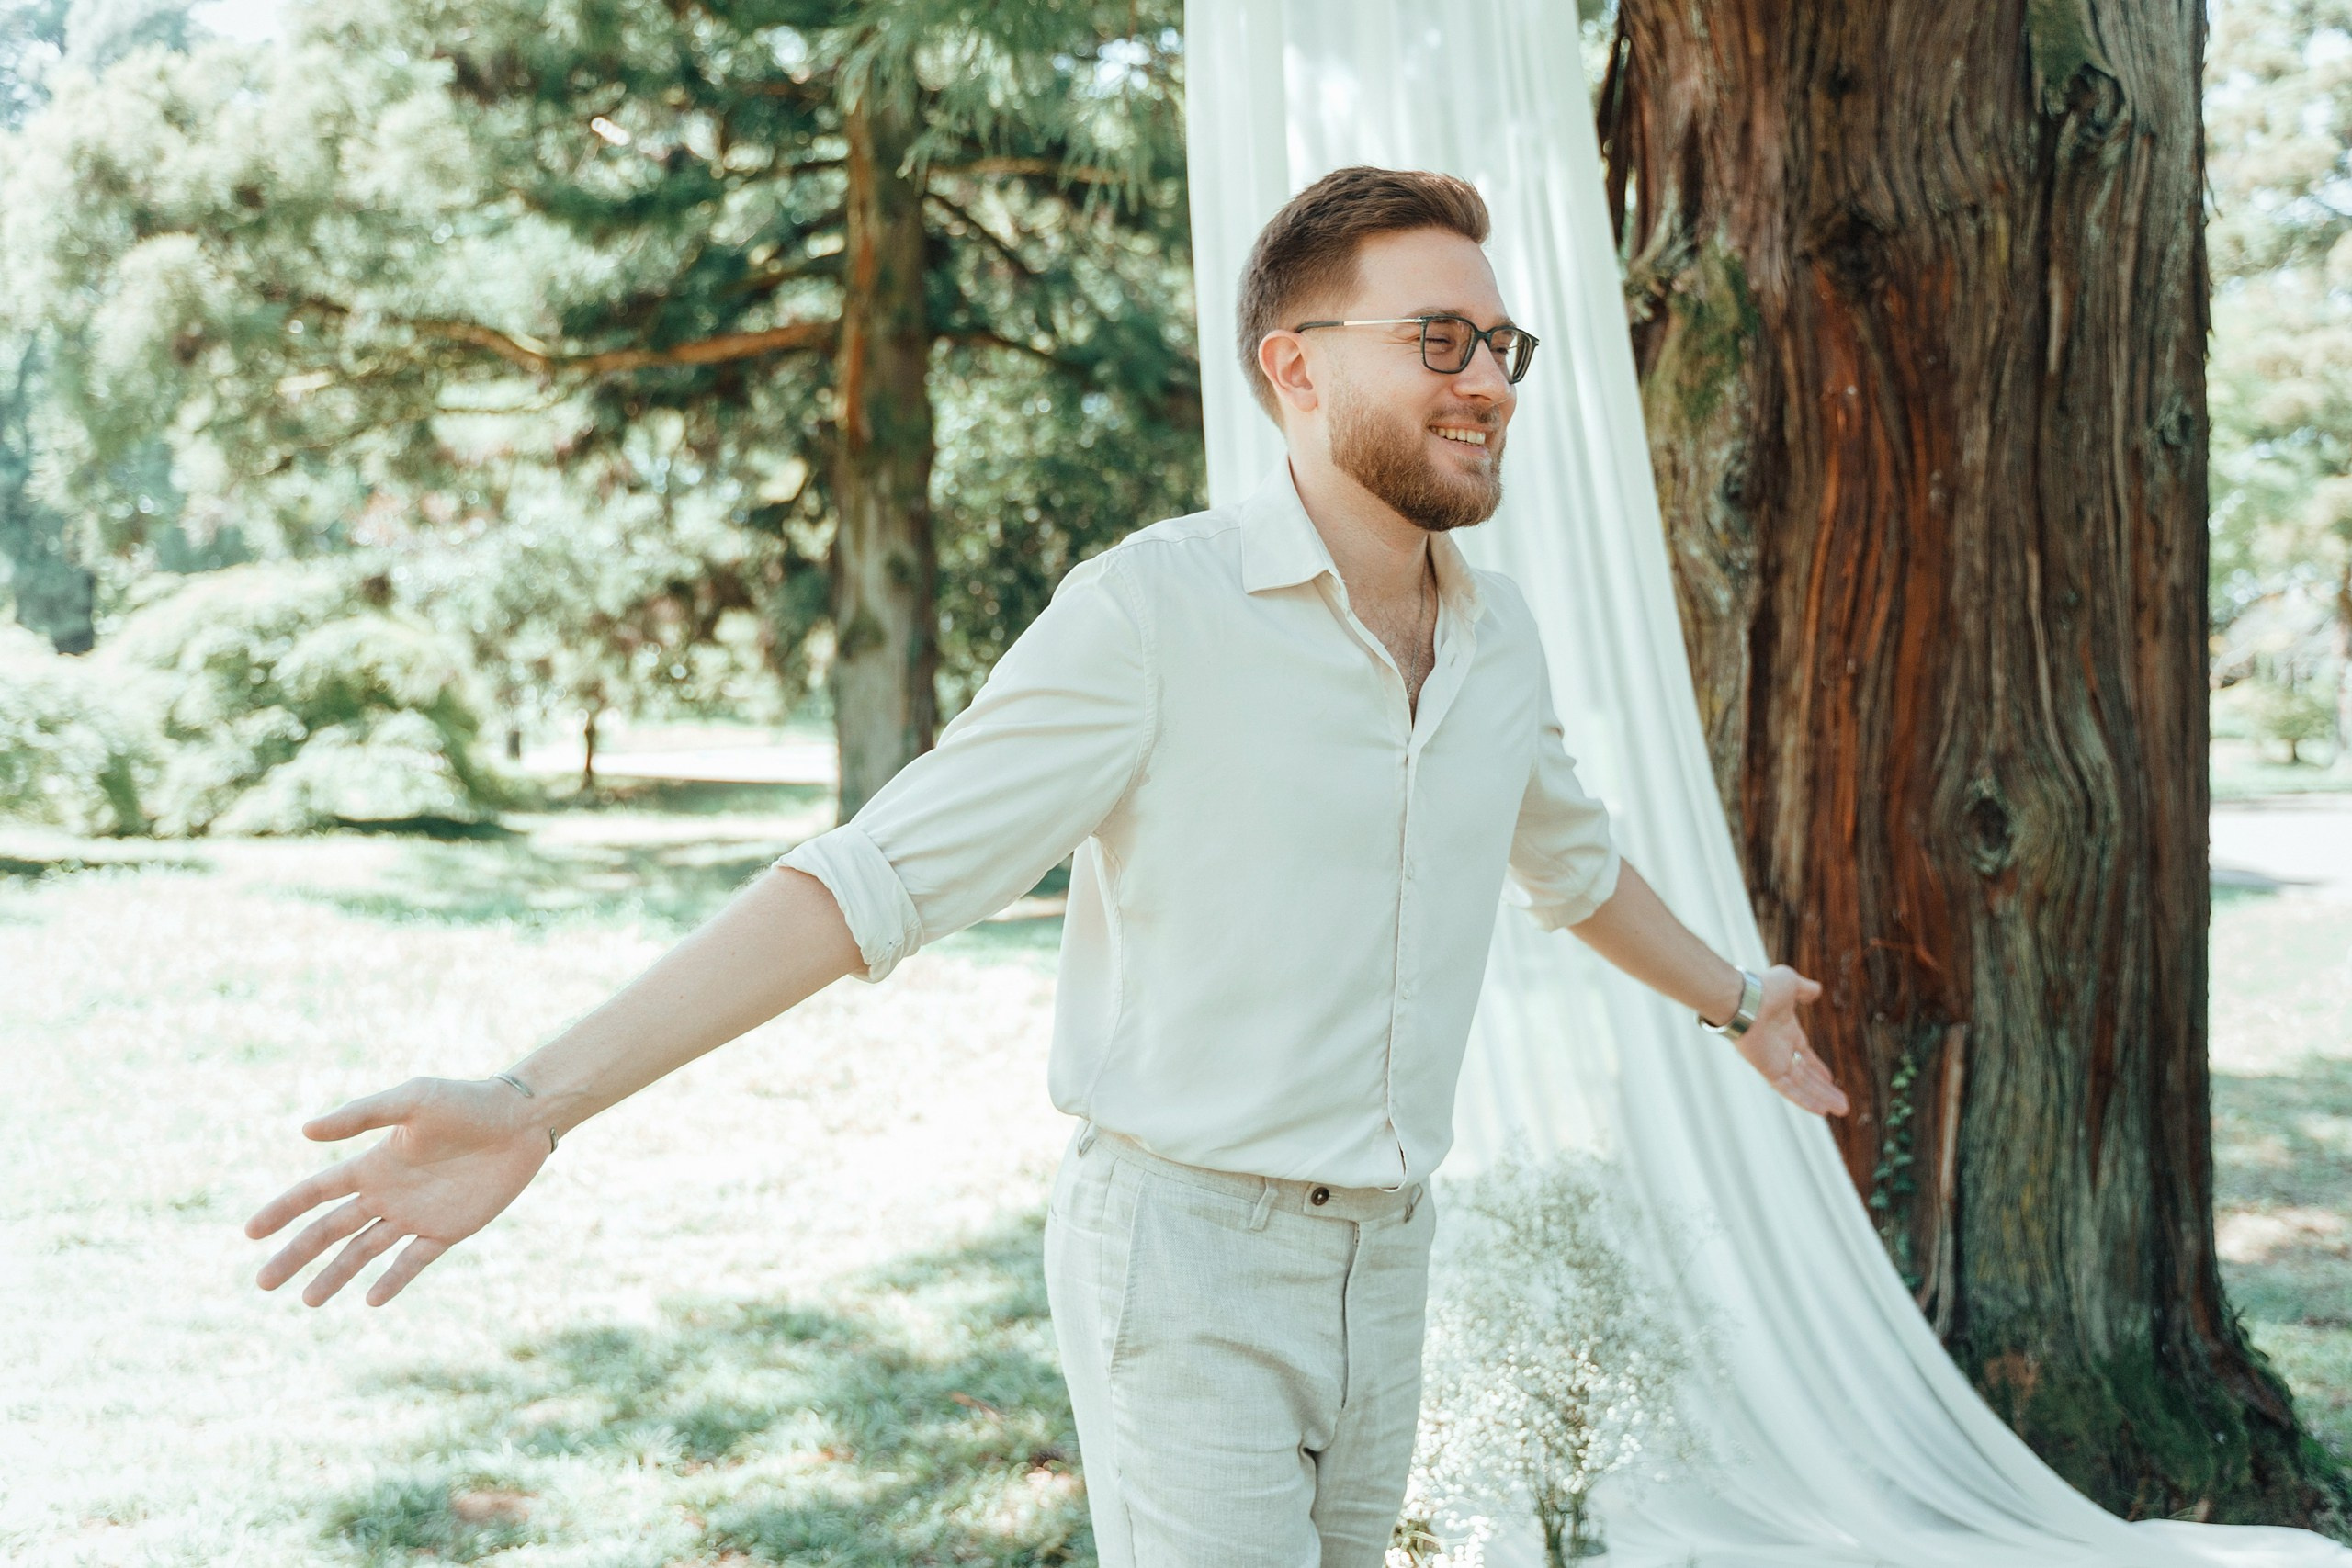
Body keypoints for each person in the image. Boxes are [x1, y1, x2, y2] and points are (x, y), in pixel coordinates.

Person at [245, 164, 1849, 1568]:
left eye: (1502, 346)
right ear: (1295, 366)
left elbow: (1571, 865)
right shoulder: (1152, 615)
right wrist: (534, 1100)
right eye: (1440, 338)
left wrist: (1737, 1001)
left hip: (1391, 1255)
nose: (1489, 381)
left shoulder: (1500, 642)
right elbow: (868, 882)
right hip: (1188, 1261)